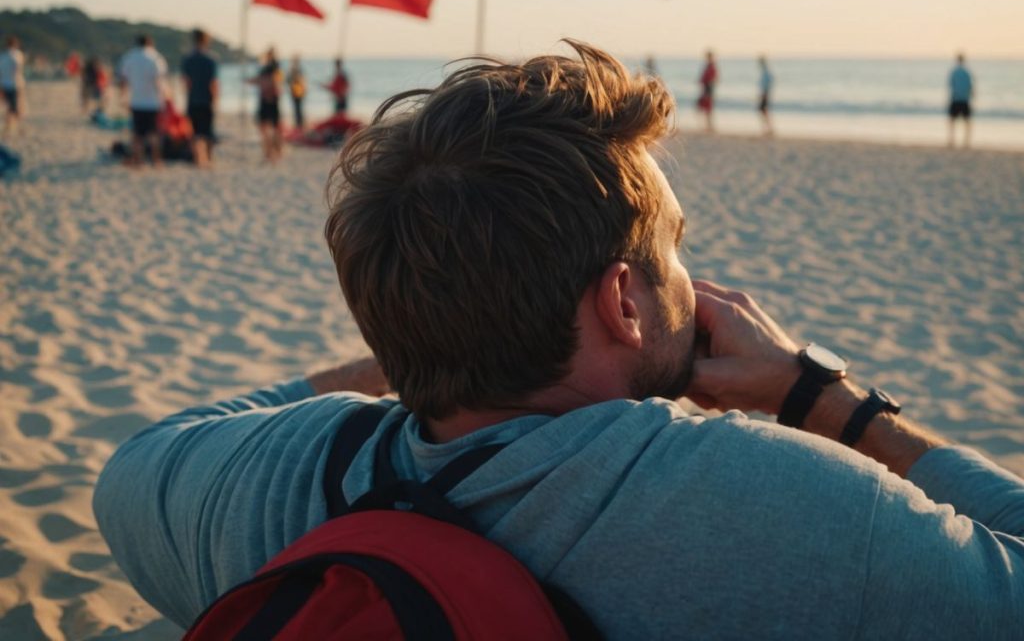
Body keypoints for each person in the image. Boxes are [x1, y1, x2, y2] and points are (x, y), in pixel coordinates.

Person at [94, 42, 1024, 638]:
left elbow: (137, 460)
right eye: (674, 253)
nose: (694, 284)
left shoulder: (266, 487)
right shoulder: (769, 503)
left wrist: (428, 336)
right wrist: (826, 401)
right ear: (623, 302)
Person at [118, 35, 168, 167]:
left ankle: (138, 160)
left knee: (137, 134)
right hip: (153, 101)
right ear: (150, 43)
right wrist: (165, 97)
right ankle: (156, 160)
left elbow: (124, 80)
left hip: (136, 101)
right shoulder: (155, 58)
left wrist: (122, 97)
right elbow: (159, 81)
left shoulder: (129, 57)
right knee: (154, 133)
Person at [181, 29, 219, 169]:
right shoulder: (210, 60)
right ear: (206, 40)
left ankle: (198, 158)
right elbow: (213, 84)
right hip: (206, 100)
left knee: (195, 131)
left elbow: (186, 82)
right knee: (207, 131)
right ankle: (206, 158)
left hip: (193, 99)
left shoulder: (188, 59)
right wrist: (215, 99)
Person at [0, 36, 26, 138]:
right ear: (15, 44)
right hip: (15, 84)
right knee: (16, 107)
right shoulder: (17, 55)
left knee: (9, 106)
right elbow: (18, 69)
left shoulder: (2, 56)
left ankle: (8, 126)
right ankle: (19, 127)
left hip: (4, 84)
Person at [947, 52, 974, 149]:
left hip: (956, 98)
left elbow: (950, 85)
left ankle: (951, 140)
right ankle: (966, 141)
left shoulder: (954, 72)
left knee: (952, 120)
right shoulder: (967, 72)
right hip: (964, 99)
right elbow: (970, 86)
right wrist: (971, 96)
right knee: (967, 121)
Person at [696, 49, 717, 133]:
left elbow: (713, 78)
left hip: (708, 88)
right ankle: (707, 125)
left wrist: (707, 85)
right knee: (705, 108)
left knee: (708, 108)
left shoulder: (711, 66)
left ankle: (709, 125)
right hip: (706, 88)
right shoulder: (708, 66)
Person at [287, 56, 306, 130]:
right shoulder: (294, 70)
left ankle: (299, 124)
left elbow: (302, 80)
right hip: (295, 91)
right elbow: (289, 81)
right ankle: (298, 124)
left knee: (298, 108)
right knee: (297, 108)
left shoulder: (296, 70)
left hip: (298, 92)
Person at [757, 54, 774, 137]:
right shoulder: (764, 71)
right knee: (763, 112)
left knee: (764, 112)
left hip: (765, 94)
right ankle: (767, 128)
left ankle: (768, 128)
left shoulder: (766, 72)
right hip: (764, 94)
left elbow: (768, 84)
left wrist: (765, 94)